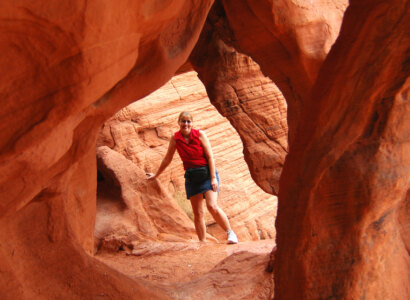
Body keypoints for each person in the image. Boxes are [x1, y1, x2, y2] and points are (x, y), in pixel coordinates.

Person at [146, 111, 238, 244]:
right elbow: (168, 158)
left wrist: (213, 178)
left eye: (189, 121)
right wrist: (156, 175)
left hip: (207, 174)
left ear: (192, 123)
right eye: (183, 121)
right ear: (178, 123)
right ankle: (202, 242)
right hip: (192, 178)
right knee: (198, 213)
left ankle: (231, 233)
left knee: (212, 206)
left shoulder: (200, 134)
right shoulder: (175, 138)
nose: (186, 124)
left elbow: (210, 156)